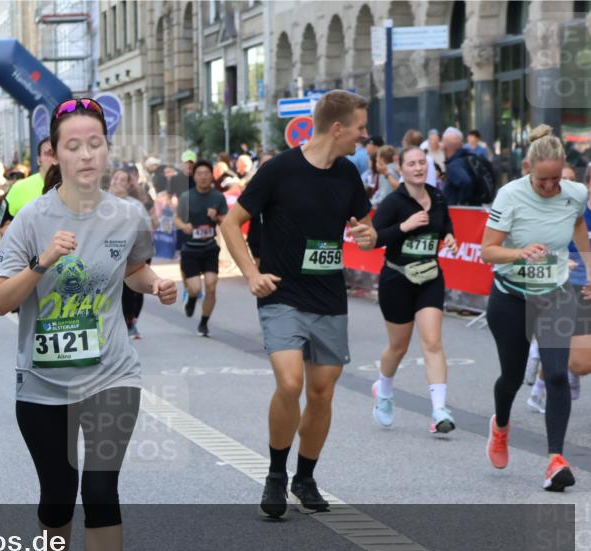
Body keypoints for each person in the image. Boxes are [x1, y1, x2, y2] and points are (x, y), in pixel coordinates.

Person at [0, 96, 176, 551]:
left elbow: (136, 268)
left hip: (112, 374)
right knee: (57, 498)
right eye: (73, 145)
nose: (86, 153)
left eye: (95, 142)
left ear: (106, 148)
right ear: (54, 153)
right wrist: (42, 261)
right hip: (42, 383)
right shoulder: (31, 218)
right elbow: (1, 301)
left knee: (100, 490)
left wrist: (157, 285)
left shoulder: (129, 215)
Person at [218, 89, 377, 518]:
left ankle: (305, 477)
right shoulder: (279, 171)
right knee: (290, 384)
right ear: (338, 127)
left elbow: (364, 225)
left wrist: (368, 235)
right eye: (360, 128)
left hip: (328, 296)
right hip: (281, 293)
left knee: (322, 394)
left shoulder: (347, 174)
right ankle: (275, 475)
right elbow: (232, 223)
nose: (364, 136)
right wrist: (251, 274)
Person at [481, 125, 591, 491]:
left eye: (555, 179)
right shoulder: (509, 196)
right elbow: (487, 250)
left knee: (558, 374)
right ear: (528, 168)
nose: (549, 187)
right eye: (542, 179)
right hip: (510, 295)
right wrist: (518, 252)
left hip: (555, 294)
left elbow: (576, 222)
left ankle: (555, 460)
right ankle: (500, 426)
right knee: (511, 377)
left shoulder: (574, 193)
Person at [370, 146, 459, 434]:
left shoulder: (437, 196)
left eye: (422, 163)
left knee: (432, 342)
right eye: (412, 164)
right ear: (401, 167)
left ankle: (439, 410)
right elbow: (373, 239)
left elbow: (446, 225)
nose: (419, 168)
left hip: (430, 278)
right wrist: (404, 226)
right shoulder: (394, 203)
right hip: (397, 280)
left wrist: (449, 238)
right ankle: (383, 392)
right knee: (398, 347)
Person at [175, 159, 227, 337]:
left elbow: (226, 222)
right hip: (190, 249)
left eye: (206, 173)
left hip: (210, 247)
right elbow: (176, 219)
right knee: (196, 288)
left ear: (212, 176)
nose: (203, 177)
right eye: (199, 174)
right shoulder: (186, 197)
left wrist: (217, 217)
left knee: (211, 285)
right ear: (194, 176)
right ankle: (191, 298)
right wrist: (184, 226)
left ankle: (204, 323)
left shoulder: (218, 197)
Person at [108, 167, 154, 339]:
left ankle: (131, 320)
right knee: (117, 289)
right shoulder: (101, 203)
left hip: (134, 251)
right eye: (115, 178)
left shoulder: (135, 205)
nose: (117, 182)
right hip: (111, 253)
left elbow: (146, 230)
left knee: (135, 288)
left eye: (122, 180)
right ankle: (119, 323)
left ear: (128, 185)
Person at [566, 164, 591, 430]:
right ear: (588, 185)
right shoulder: (578, 215)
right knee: (581, 363)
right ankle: (565, 368)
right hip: (580, 290)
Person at [2, 137, 56, 234]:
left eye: (57, 153)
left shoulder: (75, 188)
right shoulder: (19, 188)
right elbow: (2, 225)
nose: (54, 158)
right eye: (49, 153)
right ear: (39, 159)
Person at [442, 127, 477, 205]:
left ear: (444, 147)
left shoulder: (454, 165)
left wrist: (462, 203)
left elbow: (466, 182)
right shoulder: (469, 158)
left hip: (458, 212)